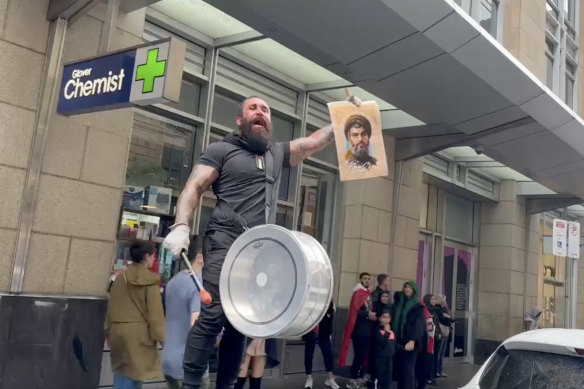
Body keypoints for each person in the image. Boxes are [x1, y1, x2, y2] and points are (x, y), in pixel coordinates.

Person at [163, 94, 362, 389]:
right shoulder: (222, 150)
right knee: (215, 312)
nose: (261, 112)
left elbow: (312, 142)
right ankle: (192, 382)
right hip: (223, 242)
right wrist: (181, 225)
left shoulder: (275, 153)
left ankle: (227, 385)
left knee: (240, 321)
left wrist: (343, 117)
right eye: (253, 108)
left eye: (265, 109)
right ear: (241, 120)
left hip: (255, 250)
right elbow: (194, 185)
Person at [104, 242, 165, 389]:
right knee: (135, 377)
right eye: (153, 256)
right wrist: (162, 339)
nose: (153, 260)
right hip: (139, 337)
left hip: (117, 333)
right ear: (146, 257)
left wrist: (107, 332)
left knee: (122, 375)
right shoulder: (150, 281)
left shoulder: (119, 278)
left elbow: (111, 306)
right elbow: (155, 315)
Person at [162, 236, 210, 389]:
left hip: (169, 360)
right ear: (201, 257)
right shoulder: (199, 285)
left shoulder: (173, 281)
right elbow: (196, 324)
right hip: (191, 365)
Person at [339, 272, 376, 389]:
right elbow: (355, 312)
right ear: (360, 280)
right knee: (359, 356)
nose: (367, 281)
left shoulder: (368, 294)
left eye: (369, 279)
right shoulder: (358, 293)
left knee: (364, 356)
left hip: (367, 330)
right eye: (365, 278)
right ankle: (352, 379)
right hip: (359, 331)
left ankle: (360, 378)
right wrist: (368, 314)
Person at [392, 281, 425, 389]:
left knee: (407, 369)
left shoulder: (417, 306)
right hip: (398, 341)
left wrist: (413, 340)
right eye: (405, 287)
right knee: (400, 369)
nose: (407, 289)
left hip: (411, 342)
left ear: (414, 290)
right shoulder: (399, 304)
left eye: (410, 288)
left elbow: (419, 325)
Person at [303, 302, 340, 389]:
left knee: (328, 354)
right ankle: (309, 378)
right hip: (311, 329)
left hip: (324, 331)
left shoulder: (329, 302)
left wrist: (329, 332)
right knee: (309, 354)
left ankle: (330, 378)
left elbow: (330, 318)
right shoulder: (311, 299)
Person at [374, 309, 400, 389]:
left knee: (388, 378)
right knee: (380, 377)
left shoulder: (391, 331)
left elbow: (394, 344)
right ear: (379, 318)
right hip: (380, 358)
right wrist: (386, 331)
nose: (386, 319)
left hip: (389, 358)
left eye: (388, 317)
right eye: (384, 317)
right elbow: (383, 342)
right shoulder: (378, 330)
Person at [422, 295, 442, 386]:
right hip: (431, 337)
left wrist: (439, 333)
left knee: (435, 356)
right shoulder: (428, 310)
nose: (434, 301)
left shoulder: (434, 310)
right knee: (430, 357)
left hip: (436, 336)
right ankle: (428, 376)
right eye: (432, 299)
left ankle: (432, 375)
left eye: (434, 299)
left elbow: (437, 324)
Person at [434, 295, 453, 378]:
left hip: (446, 332)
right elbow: (443, 320)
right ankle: (437, 370)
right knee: (439, 352)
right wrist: (447, 317)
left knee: (442, 353)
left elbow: (451, 318)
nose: (445, 301)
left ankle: (440, 370)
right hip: (441, 332)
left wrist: (448, 317)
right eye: (443, 299)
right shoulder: (437, 309)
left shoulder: (444, 309)